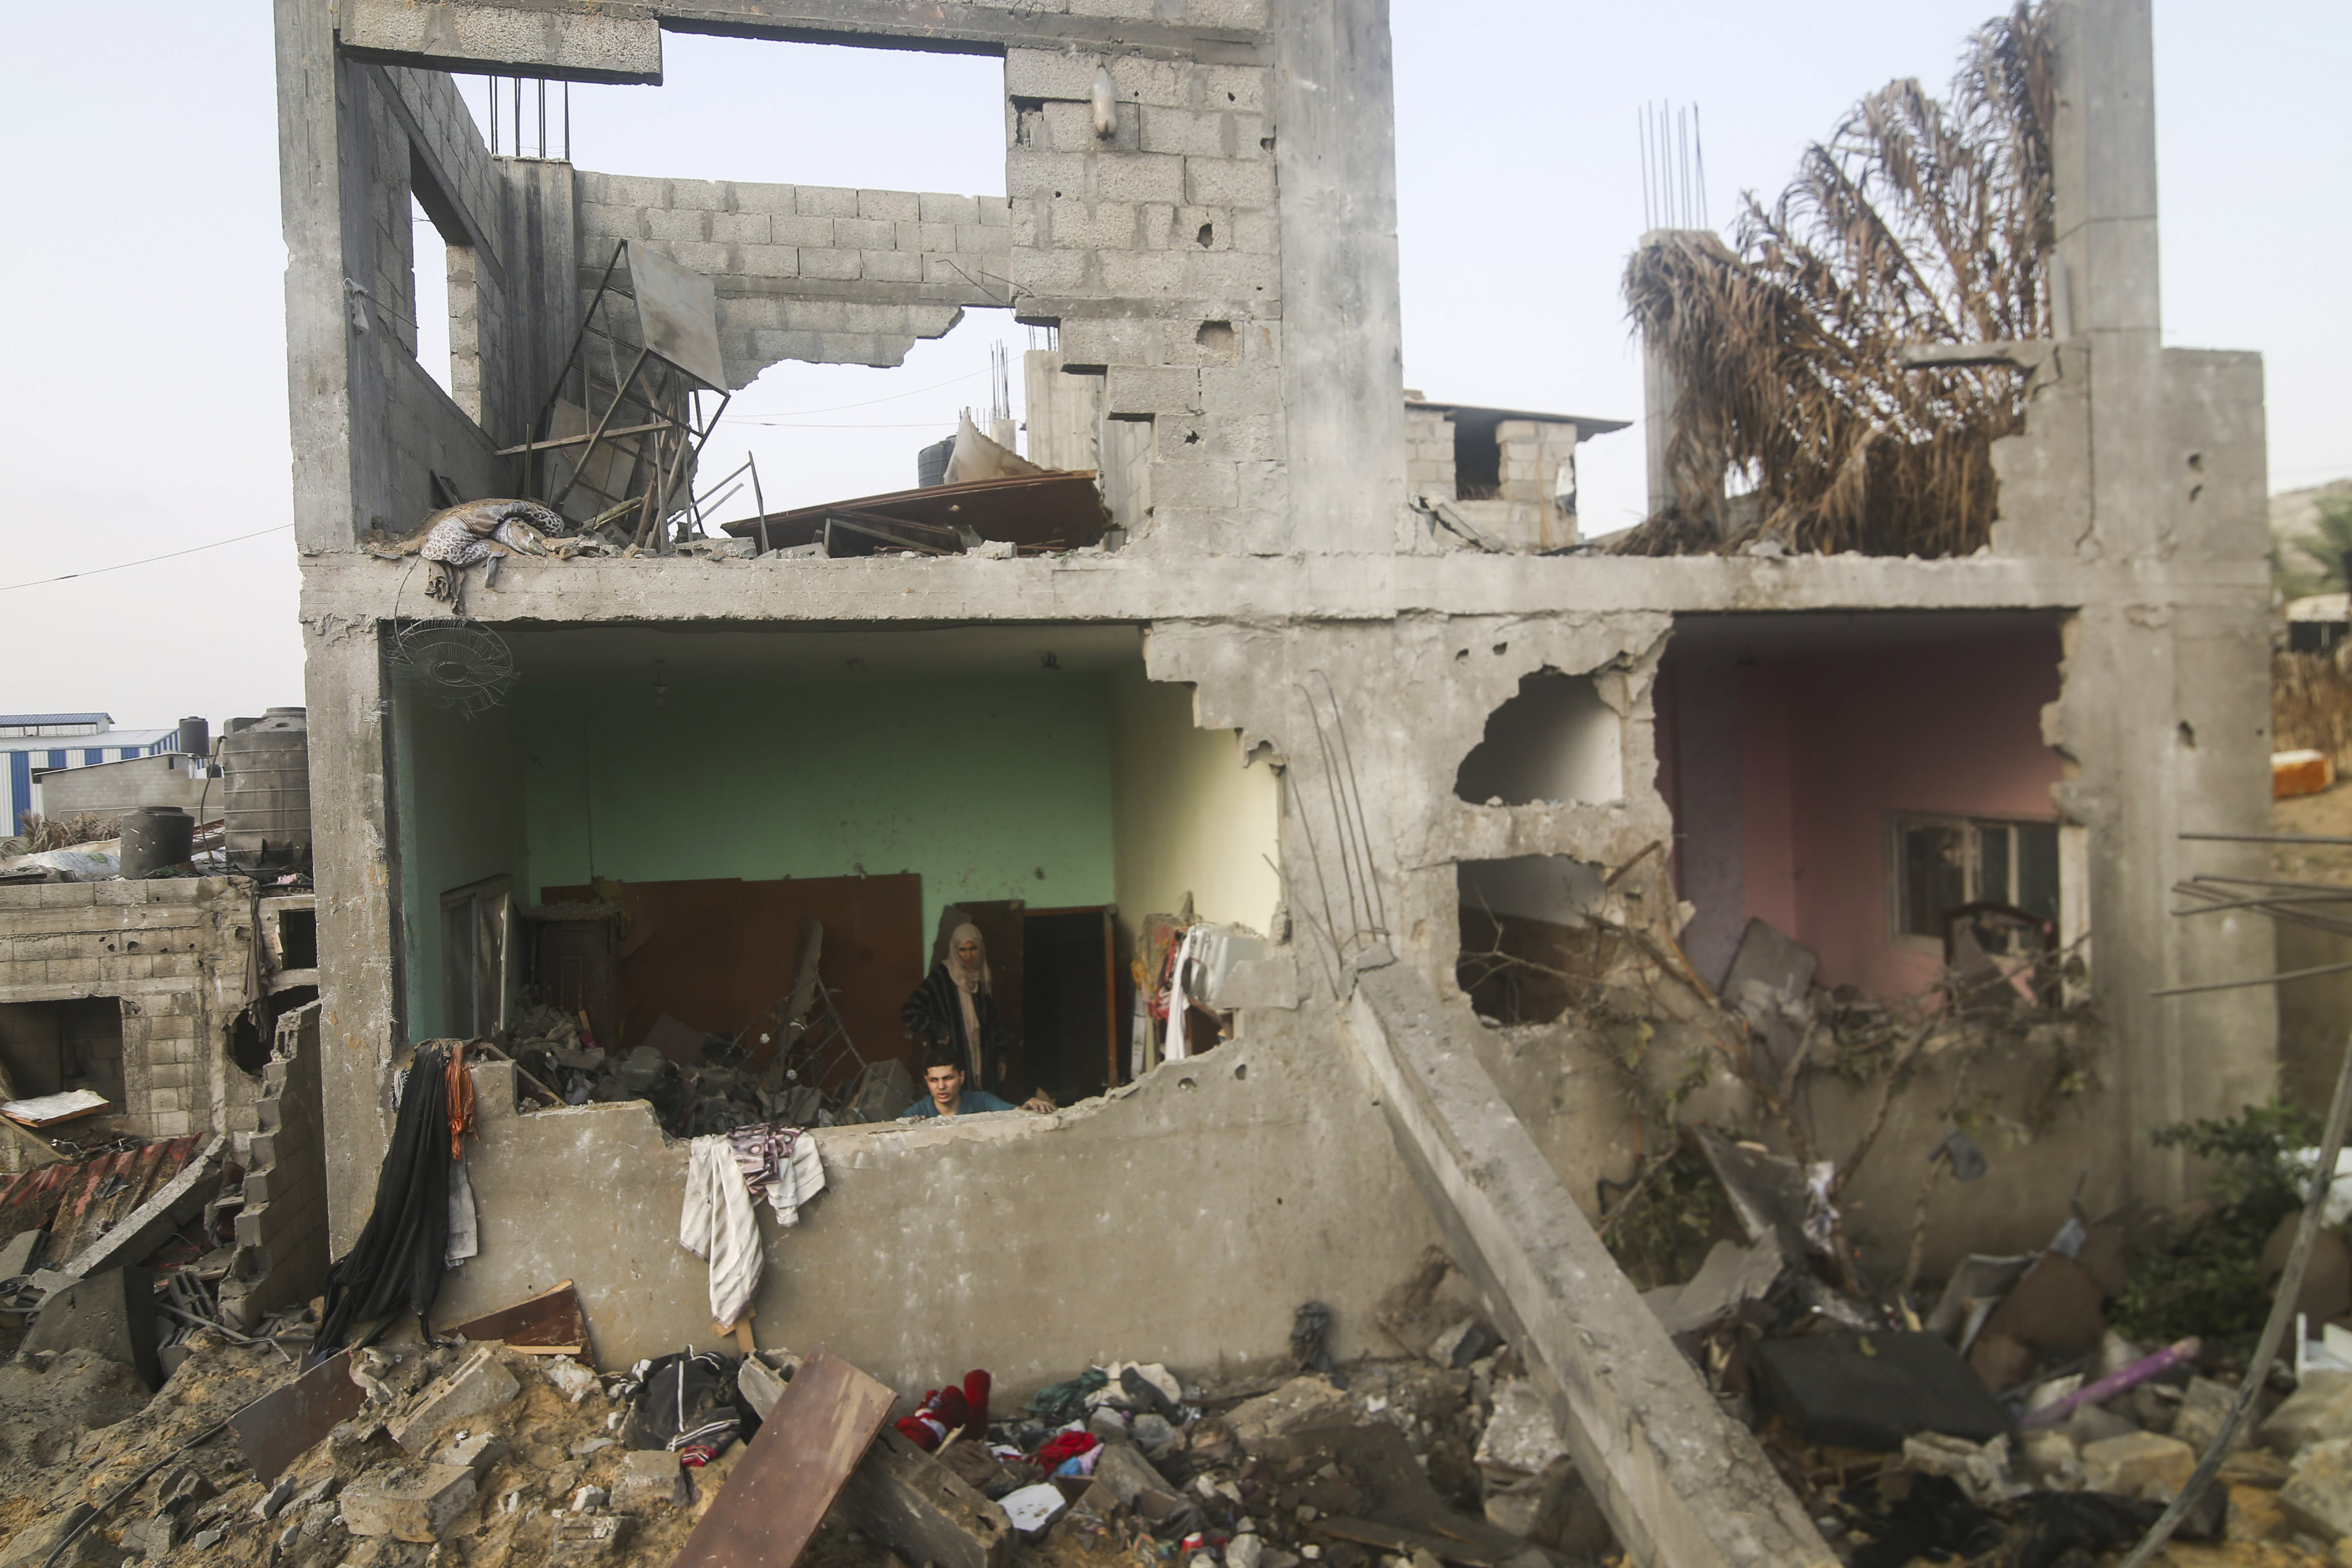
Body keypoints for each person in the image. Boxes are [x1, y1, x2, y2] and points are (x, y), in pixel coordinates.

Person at [902, 922, 1007, 1092]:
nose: (968, 956)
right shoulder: (941, 977)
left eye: (973, 949)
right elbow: (909, 1011)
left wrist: (1001, 1057)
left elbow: (994, 1021)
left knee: (983, 1108)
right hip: (952, 1063)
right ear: (954, 950)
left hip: (984, 1062)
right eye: (962, 950)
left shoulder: (983, 976)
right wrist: (936, 1027)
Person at [900, 1047, 1052, 1119]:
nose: (941, 1087)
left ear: (962, 1077)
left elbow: (1016, 1114)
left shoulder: (983, 1101)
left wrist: (1030, 1104)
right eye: (934, 1080)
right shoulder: (914, 1115)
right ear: (927, 1081)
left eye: (948, 1078)